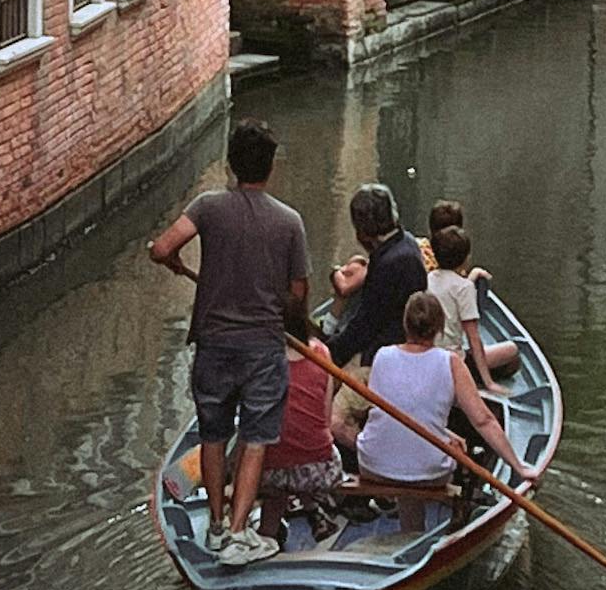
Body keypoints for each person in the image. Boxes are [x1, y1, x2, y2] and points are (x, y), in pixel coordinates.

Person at [148, 121, 310, 565]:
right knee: (256, 438)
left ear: (231, 163)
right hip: (262, 345)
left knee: (214, 433)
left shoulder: (207, 206)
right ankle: (241, 534)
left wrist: (178, 263)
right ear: (270, 168)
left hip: (214, 342)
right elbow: (297, 294)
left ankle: (216, 528)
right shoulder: (289, 222)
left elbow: (161, 249)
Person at [347, 289, 522, 533]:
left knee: (416, 449)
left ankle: (411, 531)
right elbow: (483, 420)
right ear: (440, 329)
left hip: (372, 464)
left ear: (405, 324)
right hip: (428, 472)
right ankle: (458, 510)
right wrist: (519, 467)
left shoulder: (381, 356)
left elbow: (406, 409)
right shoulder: (451, 362)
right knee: (458, 449)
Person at [255, 283, 349, 542]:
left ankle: (268, 535)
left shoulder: (261, 361)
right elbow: (325, 419)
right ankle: (313, 508)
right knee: (305, 451)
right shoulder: (321, 352)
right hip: (319, 467)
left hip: (271, 471)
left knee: (275, 473)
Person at [326, 183, 428, 370]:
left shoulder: (390, 264)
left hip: (388, 355)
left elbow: (365, 326)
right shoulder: (407, 242)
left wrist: (330, 353)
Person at [421, 205, 507, 391]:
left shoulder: (425, 280)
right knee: (512, 353)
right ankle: (475, 380)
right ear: (465, 259)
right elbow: (473, 337)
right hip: (452, 363)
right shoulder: (465, 288)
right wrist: (489, 382)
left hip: (427, 357)